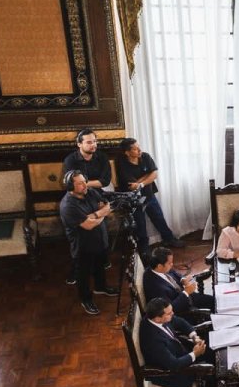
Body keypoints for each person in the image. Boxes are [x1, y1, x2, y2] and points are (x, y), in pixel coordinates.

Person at [59, 171, 118, 315]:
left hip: (100, 239)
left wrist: (95, 215)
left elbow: (107, 206)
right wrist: (100, 214)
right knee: (83, 275)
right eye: (79, 183)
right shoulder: (68, 206)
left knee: (100, 266)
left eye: (84, 181)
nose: (84, 185)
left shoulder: (90, 192)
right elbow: (88, 225)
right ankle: (86, 300)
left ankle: (101, 287)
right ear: (69, 186)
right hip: (83, 247)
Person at [116, 138, 184, 261]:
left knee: (158, 217)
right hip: (133, 198)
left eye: (139, 147)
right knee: (140, 224)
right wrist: (147, 176)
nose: (139, 150)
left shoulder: (145, 156)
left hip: (148, 193)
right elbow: (131, 184)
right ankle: (144, 247)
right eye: (136, 149)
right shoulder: (121, 162)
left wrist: (141, 183)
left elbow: (154, 174)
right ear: (127, 152)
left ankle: (169, 239)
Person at [62, 129, 113, 285]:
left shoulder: (102, 157)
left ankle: (102, 262)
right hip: (77, 198)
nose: (94, 145)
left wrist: (83, 184)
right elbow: (71, 184)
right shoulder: (71, 160)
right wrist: (84, 185)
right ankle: (77, 271)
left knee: (100, 232)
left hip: (95, 195)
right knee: (81, 236)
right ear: (79, 144)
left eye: (95, 141)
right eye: (89, 142)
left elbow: (105, 181)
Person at [139, 297, 211, 387]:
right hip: (173, 373)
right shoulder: (153, 340)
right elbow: (174, 365)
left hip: (178, 351)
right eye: (169, 313)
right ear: (157, 318)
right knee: (212, 375)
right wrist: (194, 354)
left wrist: (194, 337)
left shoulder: (156, 318)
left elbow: (179, 322)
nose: (172, 314)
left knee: (211, 350)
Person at [144, 246, 215, 315]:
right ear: (160, 266)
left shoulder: (157, 268)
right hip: (183, 309)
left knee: (216, 302)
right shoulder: (156, 288)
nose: (172, 265)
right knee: (213, 313)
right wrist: (186, 292)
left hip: (188, 297)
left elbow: (174, 273)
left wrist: (182, 279)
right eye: (169, 263)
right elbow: (171, 309)